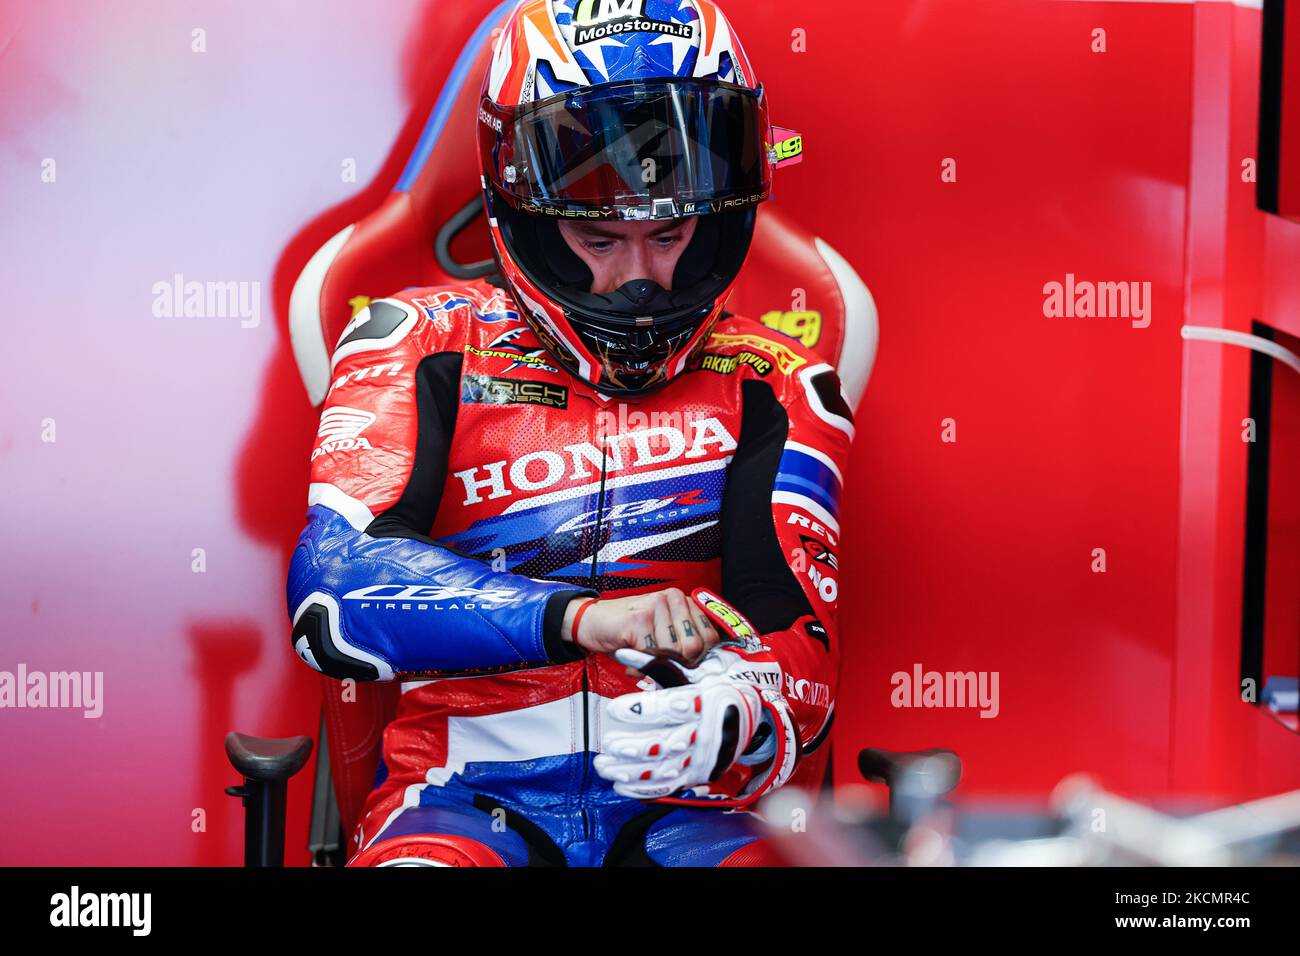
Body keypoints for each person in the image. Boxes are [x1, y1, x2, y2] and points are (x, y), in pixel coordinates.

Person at [286, 0, 853, 866]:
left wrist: (743, 713)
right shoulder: (415, 339)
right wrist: (583, 620)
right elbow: (334, 588)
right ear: (526, 213)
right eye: (598, 236)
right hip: (455, 803)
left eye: (669, 234)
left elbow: (800, 653)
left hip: (695, 808)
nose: (640, 279)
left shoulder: (777, 380)